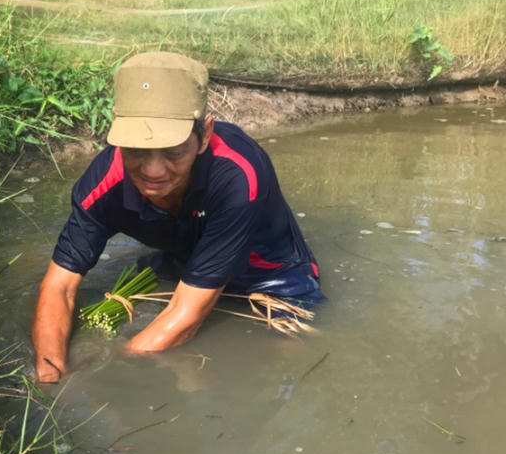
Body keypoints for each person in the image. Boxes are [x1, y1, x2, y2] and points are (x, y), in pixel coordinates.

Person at [32, 52, 324, 382]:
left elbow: (186, 315)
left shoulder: (237, 176)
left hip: (271, 279)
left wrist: (114, 369)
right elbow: (59, 287)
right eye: (137, 149)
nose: (153, 171)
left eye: (173, 150)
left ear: (206, 135)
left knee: (286, 366)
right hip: (186, 262)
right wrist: (49, 377)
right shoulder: (103, 182)